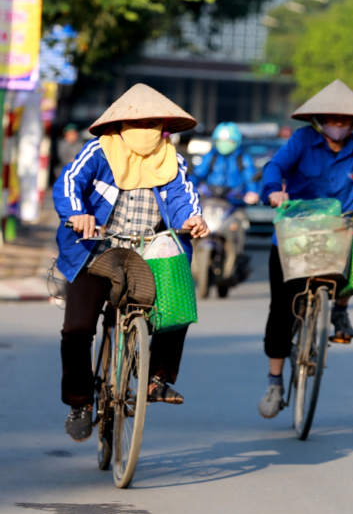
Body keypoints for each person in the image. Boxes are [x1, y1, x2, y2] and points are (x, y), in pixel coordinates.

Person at [52, 84, 210, 442]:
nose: (147, 130)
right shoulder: (98, 151)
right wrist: (77, 214)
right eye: (139, 122)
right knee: (76, 330)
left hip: (148, 251)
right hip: (96, 249)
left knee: (177, 307)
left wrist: (192, 220)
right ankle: (80, 402)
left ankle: (156, 380)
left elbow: (184, 197)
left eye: (154, 123)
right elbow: (69, 183)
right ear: (120, 124)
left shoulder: (171, 159)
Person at [257, 79, 353, 418]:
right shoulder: (301, 140)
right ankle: (274, 380)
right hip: (295, 232)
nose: (339, 124)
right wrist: (273, 190)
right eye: (333, 118)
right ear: (319, 120)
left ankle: (339, 307)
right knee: (281, 309)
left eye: (346, 120)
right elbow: (275, 167)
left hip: (337, 230)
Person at [191, 121, 260, 204]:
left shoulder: (242, 157)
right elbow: (198, 174)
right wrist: (189, 187)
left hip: (235, 202)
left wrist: (252, 192)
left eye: (228, 141)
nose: (223, 144)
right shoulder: (211, 155)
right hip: (211, 200)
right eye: (220, 141)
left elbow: (250, 178)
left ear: (236, 141)